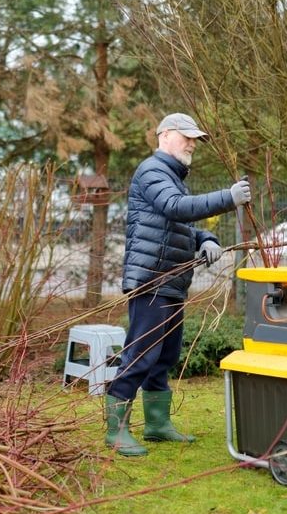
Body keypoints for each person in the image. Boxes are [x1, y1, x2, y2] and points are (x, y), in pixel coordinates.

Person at [105, 112, 252, 457]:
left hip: (171, 281)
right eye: (186, 136)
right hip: (152, 281)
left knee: (164, 356)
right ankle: (116, 431)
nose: (192, 144)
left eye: (195, 139)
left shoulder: (172, 176)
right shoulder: (152, 171)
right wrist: (227, 199)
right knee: (140, 356)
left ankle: (156, 424)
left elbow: (179, 224)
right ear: (165, 135)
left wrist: (207, 238)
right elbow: (175, 208)